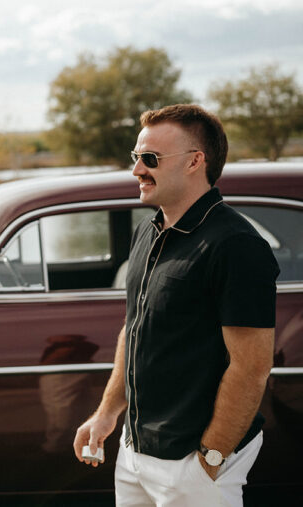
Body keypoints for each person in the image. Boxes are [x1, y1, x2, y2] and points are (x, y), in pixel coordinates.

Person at [73, 104, 278, 506]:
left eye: (150, 159)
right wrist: (107, 413)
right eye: (136, 158)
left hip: (191, 460)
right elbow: (134, 329)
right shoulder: (146, 234)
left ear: (194, 162)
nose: (137, 170)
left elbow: (251, 367)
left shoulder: (235, 245)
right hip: (134, 451)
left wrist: (209, 459)